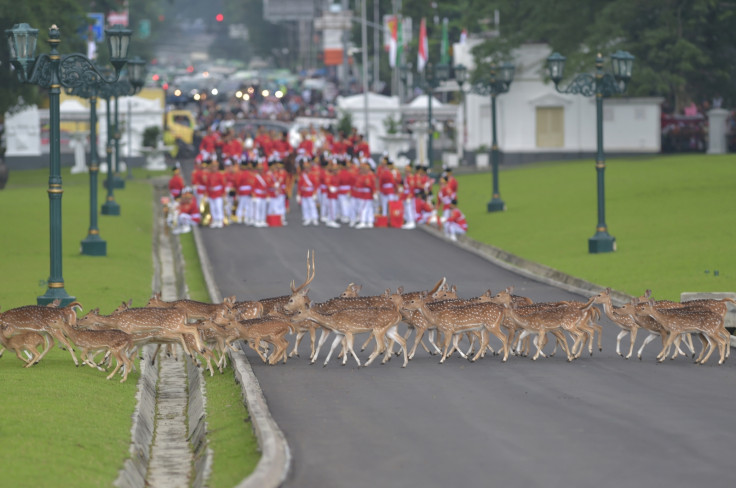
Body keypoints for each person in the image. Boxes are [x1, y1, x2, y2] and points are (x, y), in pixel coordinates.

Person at [297, 158, 319, 226]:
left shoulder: (312, 175)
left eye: (307, 167)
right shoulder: (302, 175)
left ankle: (314, 218)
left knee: (312, 206)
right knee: (305, 206)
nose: (306, 169)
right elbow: (299, 185)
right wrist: (298, 194)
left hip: (311, 193)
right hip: (304, 193)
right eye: (305, 167)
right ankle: (307, 218)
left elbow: (316, 185)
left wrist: (315, 193)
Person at [206, 160, 226, 228]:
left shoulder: (220, 175)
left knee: (218, 207)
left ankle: (220, 220)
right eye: (213, 167)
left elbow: (223, 185)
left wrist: (223, 193)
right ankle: (214, 220)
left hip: (218, 194)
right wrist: (207, 194)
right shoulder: (209, 175)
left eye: (215, 167)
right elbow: (207, 185)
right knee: (212, 208)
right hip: (211, 194)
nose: (214, 168)